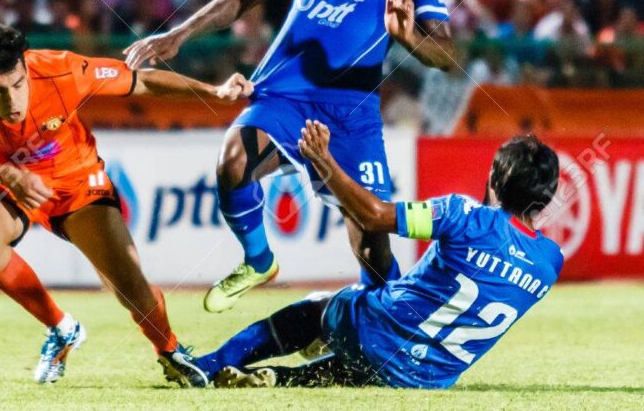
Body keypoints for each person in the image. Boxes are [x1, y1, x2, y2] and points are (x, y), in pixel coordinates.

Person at [125, 0, 458, 313]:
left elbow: (448, 58)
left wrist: (409, 39)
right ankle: (259, 261)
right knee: (232, 160)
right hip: (282, 97)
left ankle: (387, 318)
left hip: (350, 114)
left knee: (373, 247)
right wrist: (176, 36)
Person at [0, 23, 253, 387]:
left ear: (26, 65)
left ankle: (170, 351)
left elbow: (141, 81)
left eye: (19, 85)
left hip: (77, 181)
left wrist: (215, 92)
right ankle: (61, 328)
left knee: (131, 286)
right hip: (5, 181)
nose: (13, 101)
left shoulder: (63, 70)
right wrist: (4, 173)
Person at [194, 126, 561, 389]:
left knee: (318, 309)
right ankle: (277, 379)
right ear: (547, 195)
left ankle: (213, 364)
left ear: (495, 181)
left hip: (375, 330)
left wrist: (325, 162)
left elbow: (374, 216)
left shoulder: (463, 215)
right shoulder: (550, 262)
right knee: (364, 368)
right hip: (427, 378)